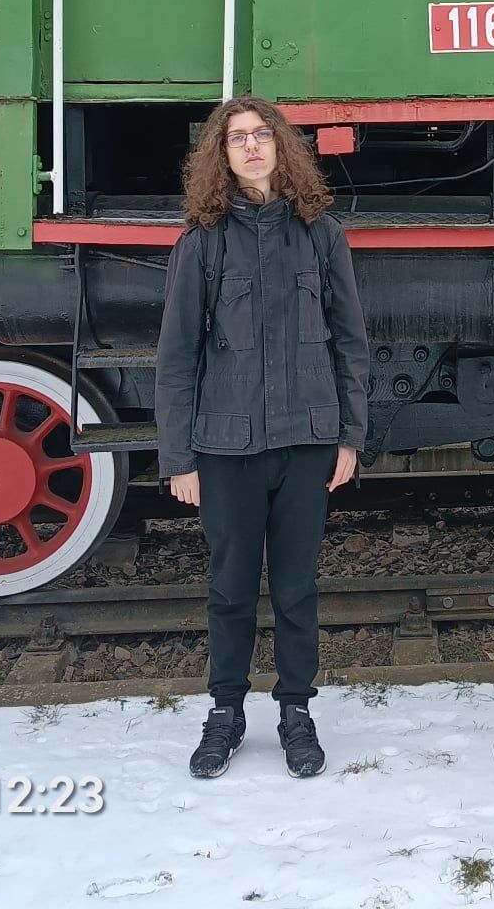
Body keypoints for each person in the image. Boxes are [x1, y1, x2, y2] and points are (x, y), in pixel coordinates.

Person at [153, 96, 371, 780]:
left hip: (307, 442)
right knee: (231, 588)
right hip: (227, 448)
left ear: (282, 146)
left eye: (261, 135)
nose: (250, 146)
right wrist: (179, 457)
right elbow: (177, 357)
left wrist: (349, 436)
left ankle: (296, 711)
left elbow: (350, 342)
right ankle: (225, 711)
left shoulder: (321, 235)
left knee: (298, 588)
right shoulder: (201, 243)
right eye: (236, 138)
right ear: (221, 155)